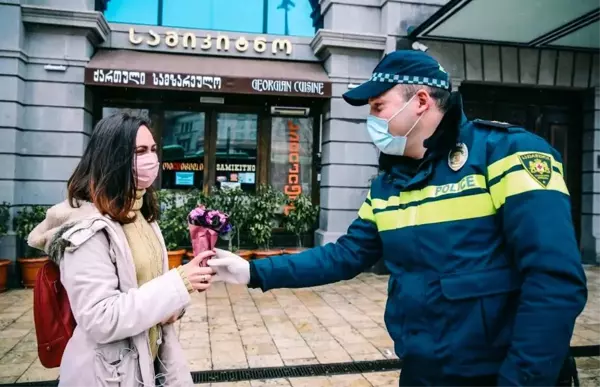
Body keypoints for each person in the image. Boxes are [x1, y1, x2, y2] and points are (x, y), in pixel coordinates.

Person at [208, 50, 588, 387]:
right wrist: (254, 272)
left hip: (497, 372)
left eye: (377, 107)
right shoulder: (389, 184)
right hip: (423, 370)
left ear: (420, 101)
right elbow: (344, 255)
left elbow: (554, 280)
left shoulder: (506, 153)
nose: (370, 121)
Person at [28, 112, 215, 386]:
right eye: (140, 151)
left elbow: (146, 289)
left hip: (148, 364)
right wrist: (179, 282)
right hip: (108, 374)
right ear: (113, 158)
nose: (151, 158)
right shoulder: (85, 229)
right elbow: (100, 317)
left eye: (152, 149)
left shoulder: (140, 214)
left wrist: (175, 304)